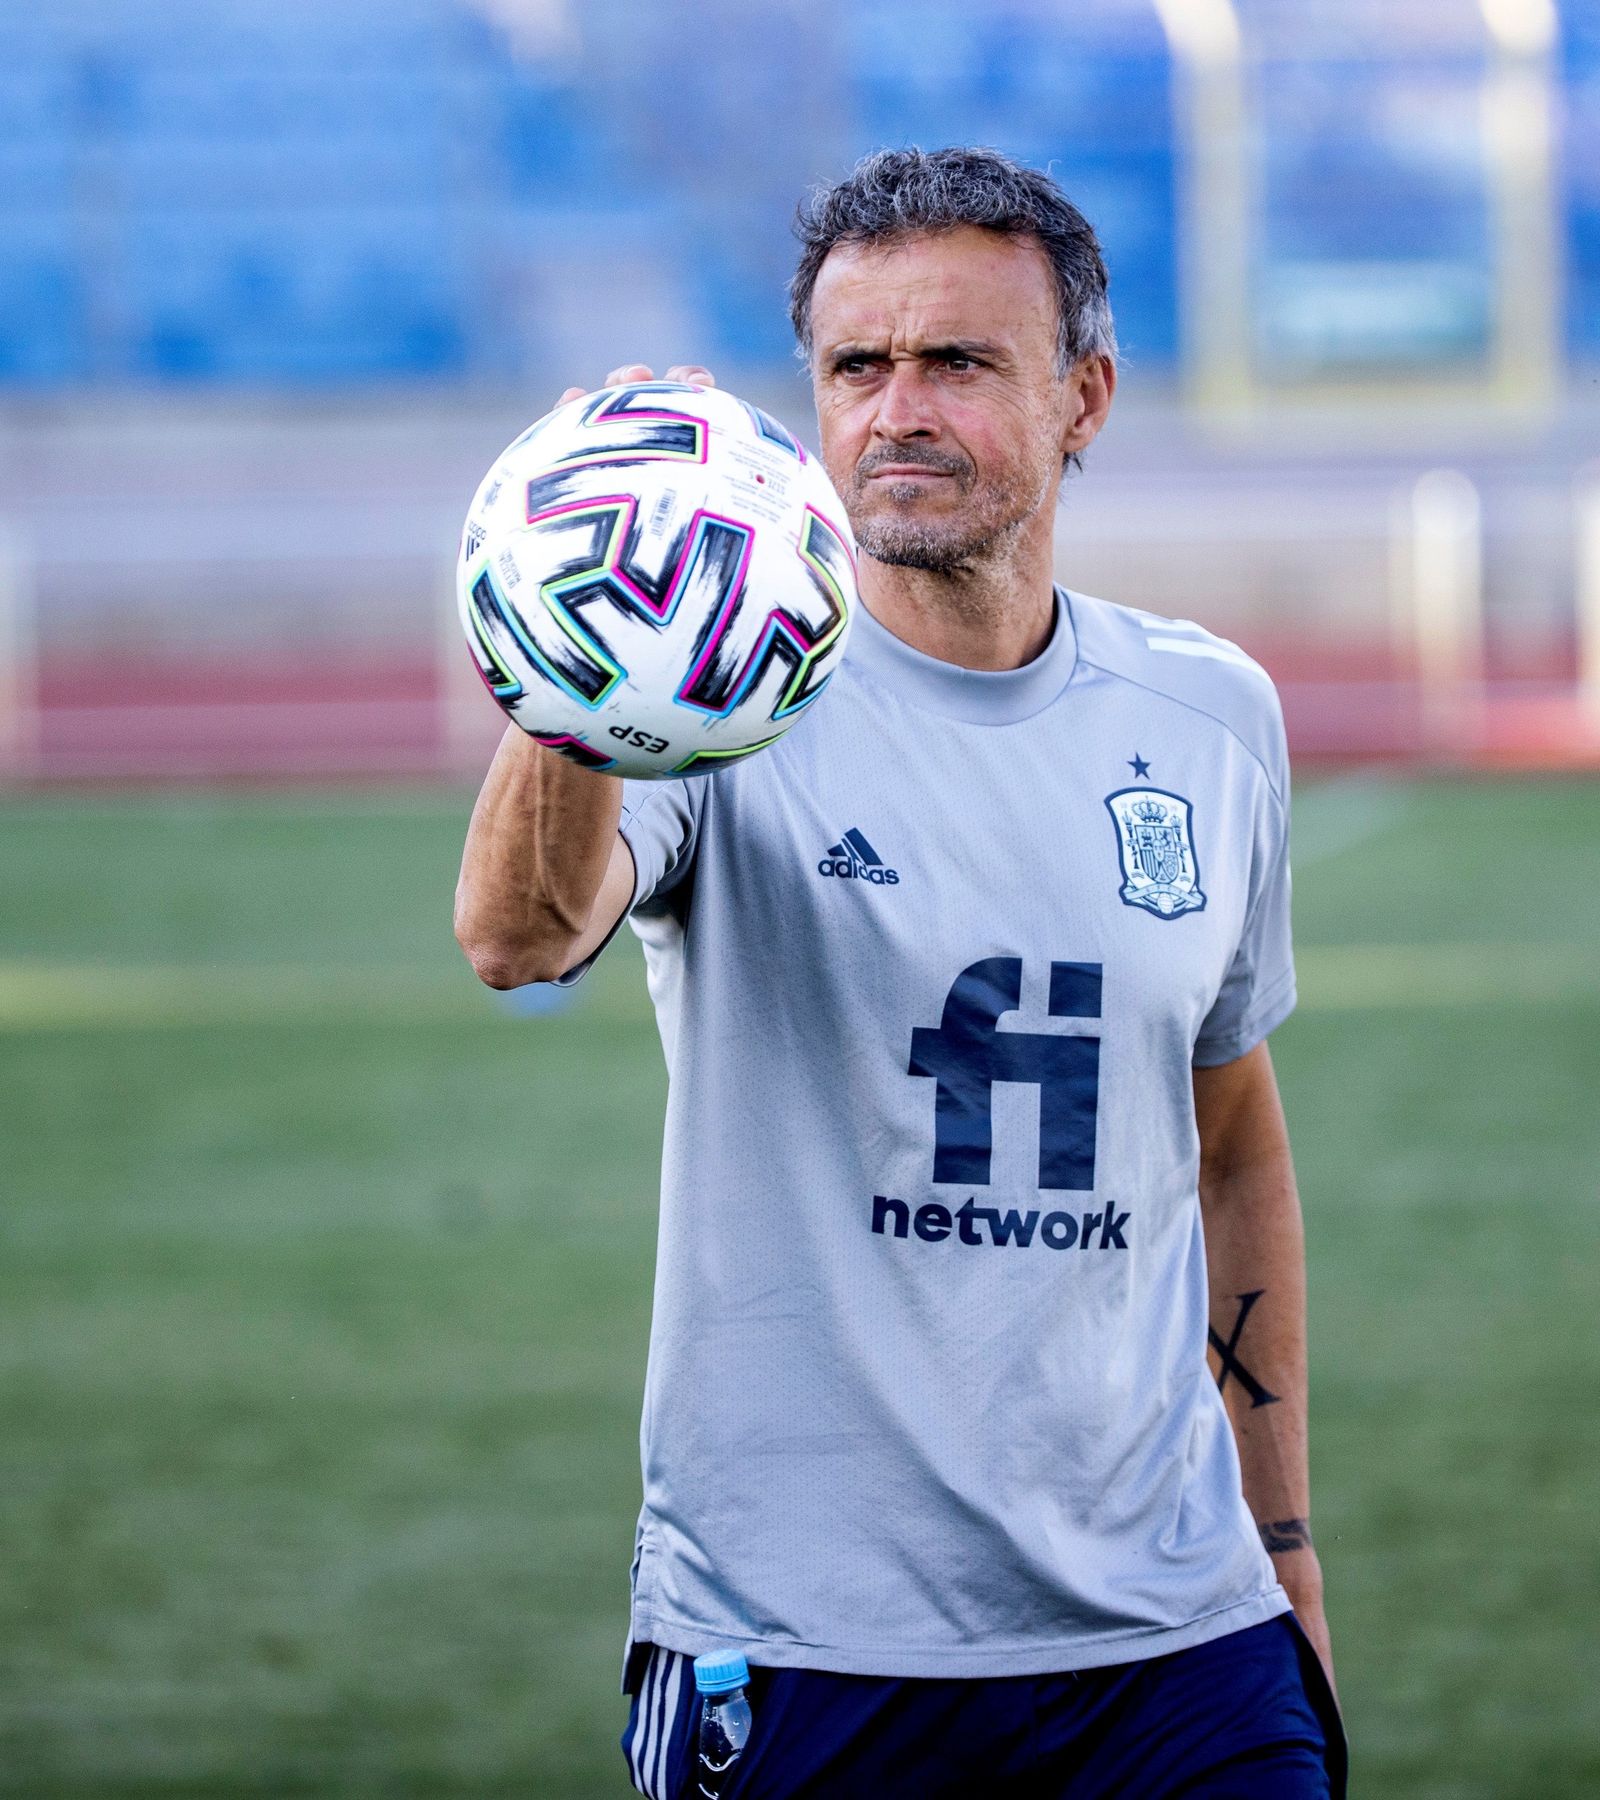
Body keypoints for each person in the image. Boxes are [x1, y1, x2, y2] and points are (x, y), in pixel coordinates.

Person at [455, 146, 1346, 1799]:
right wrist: (570, 655)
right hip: (806, 1647)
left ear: (1082, 397)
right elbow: (516, 938)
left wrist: (1281, 1540)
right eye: (856, 369)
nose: (896, 409)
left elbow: (1231, 1148)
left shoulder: (1213, 716)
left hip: (1180, 1644)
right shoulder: (714, 697)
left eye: (957, 361)